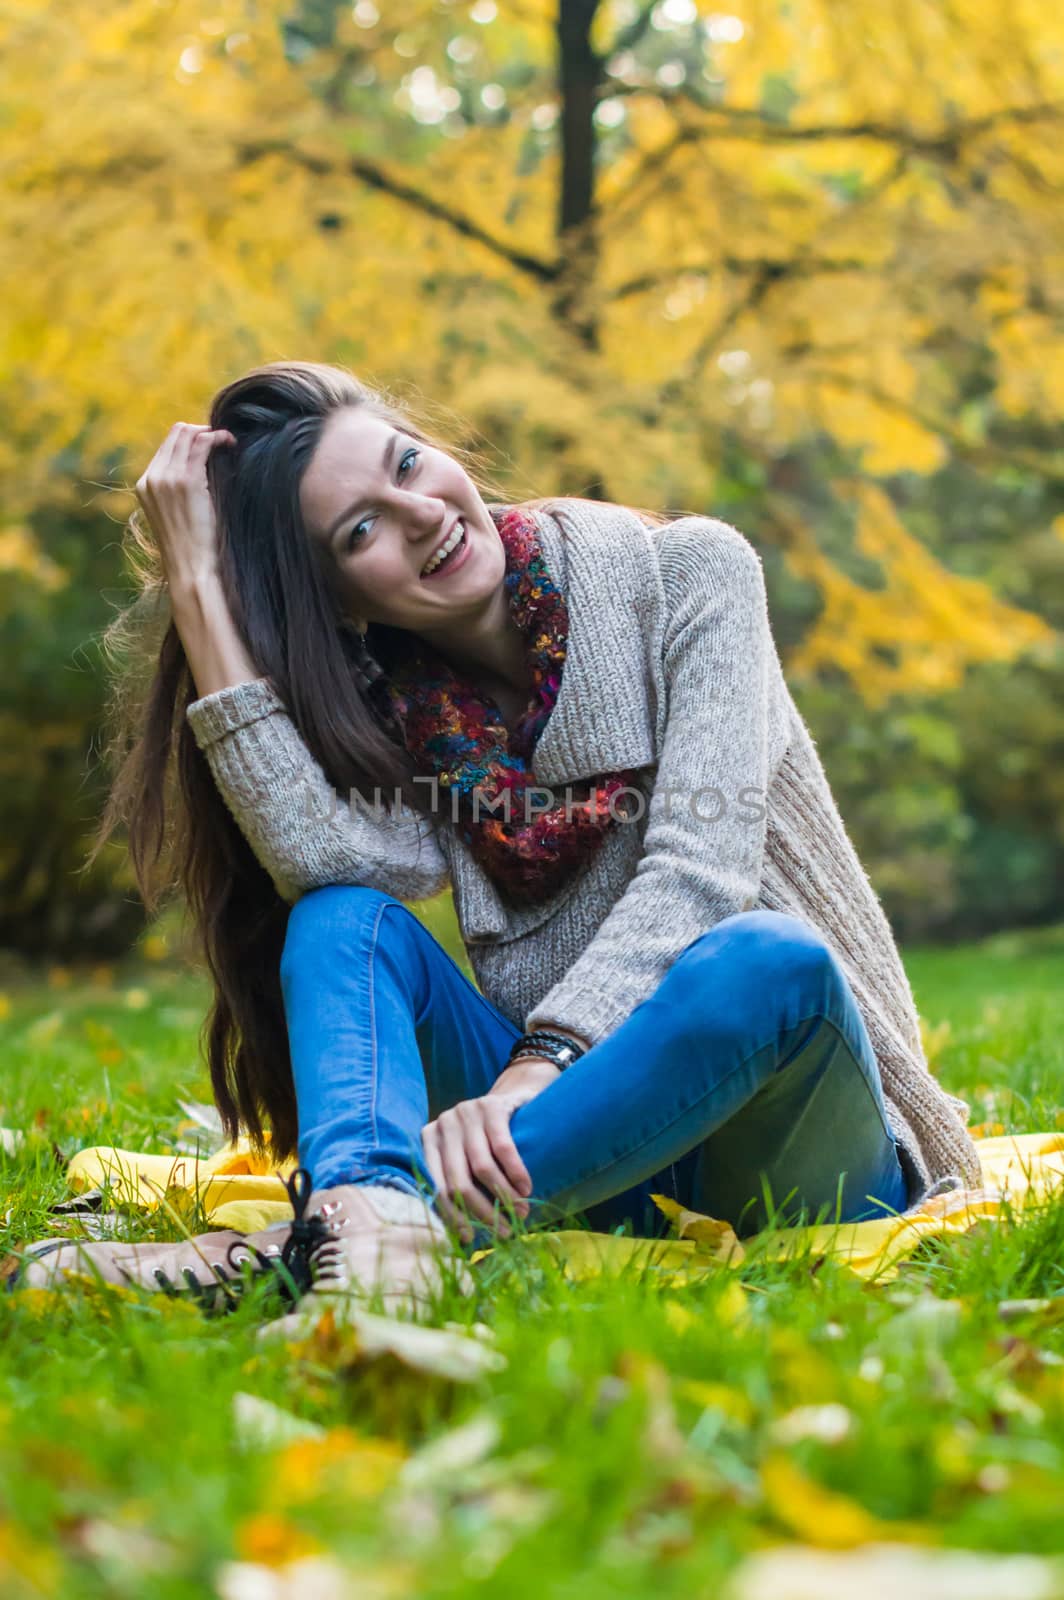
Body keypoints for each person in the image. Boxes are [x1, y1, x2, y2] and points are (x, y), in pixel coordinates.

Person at [16, 361, 981, 1319]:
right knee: (343, 920)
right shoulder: (411, 715)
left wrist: (542, 1060)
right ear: (340, 601)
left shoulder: (691, 574)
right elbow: (327, 863)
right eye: (362, 531)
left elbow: (699, 868)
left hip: (794, 1142)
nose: (420, 514)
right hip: (589, 1156)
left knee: (769, 960)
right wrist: (197, 588)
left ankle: (325, 1244)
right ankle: (366, 1216)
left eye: (407, 464)